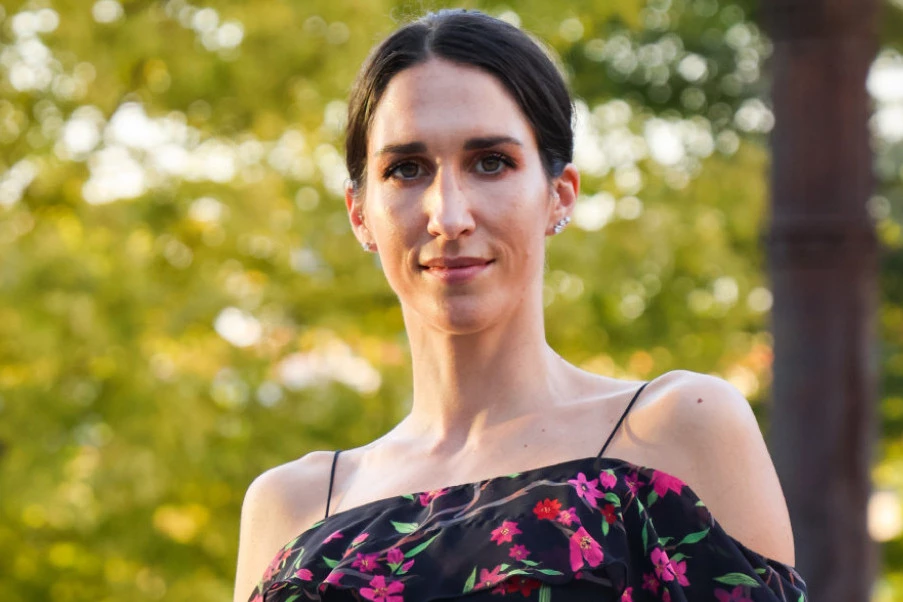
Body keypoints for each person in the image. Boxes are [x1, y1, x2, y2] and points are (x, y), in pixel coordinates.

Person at [234, 9, 807, 602]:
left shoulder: (675, 430)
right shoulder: (292, 505)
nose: (449, 216)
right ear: (359, 213)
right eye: (406, 169)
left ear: (559, 195)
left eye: (491, 163)